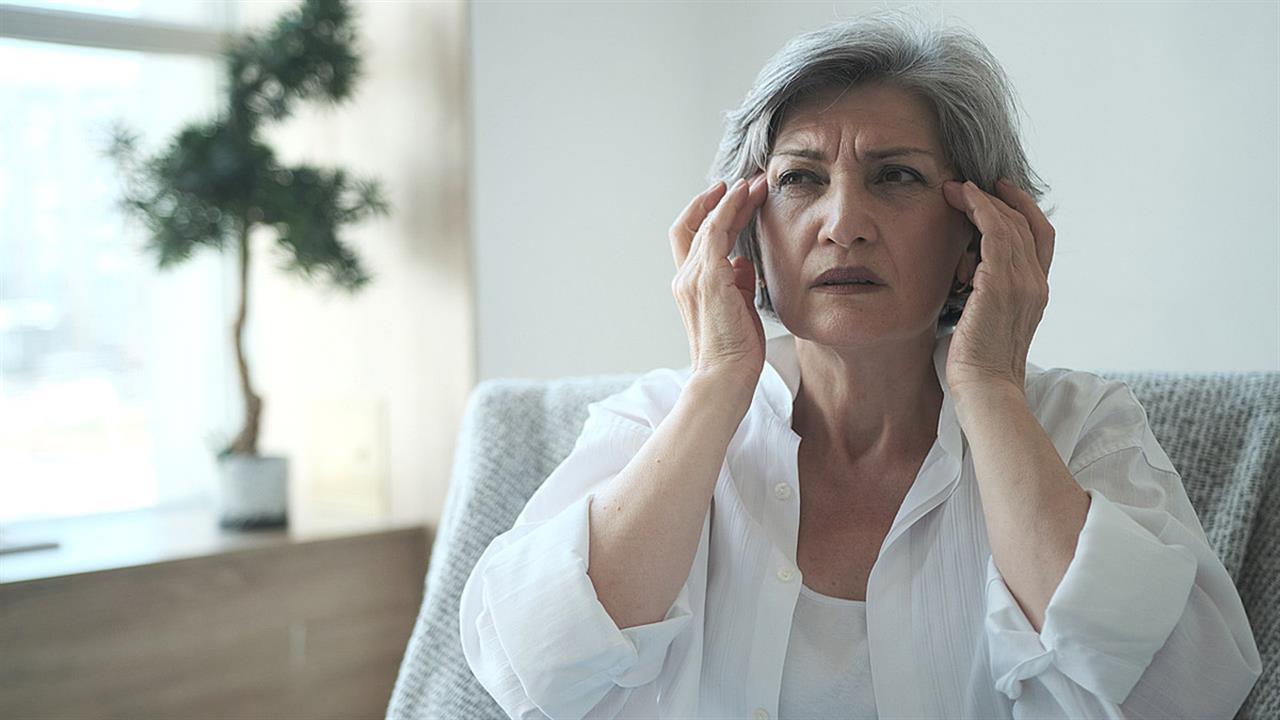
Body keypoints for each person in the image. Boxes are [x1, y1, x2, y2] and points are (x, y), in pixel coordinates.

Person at [459, 8, 1262, 720]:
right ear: (745, 228)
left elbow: (1189, 693)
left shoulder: (1077, 428)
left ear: (976, 237)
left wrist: (987, 385)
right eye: (801, 179)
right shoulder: (656, 423)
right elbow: (529, 670)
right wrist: (716, 385)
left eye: (897, 177)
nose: (843, 222)